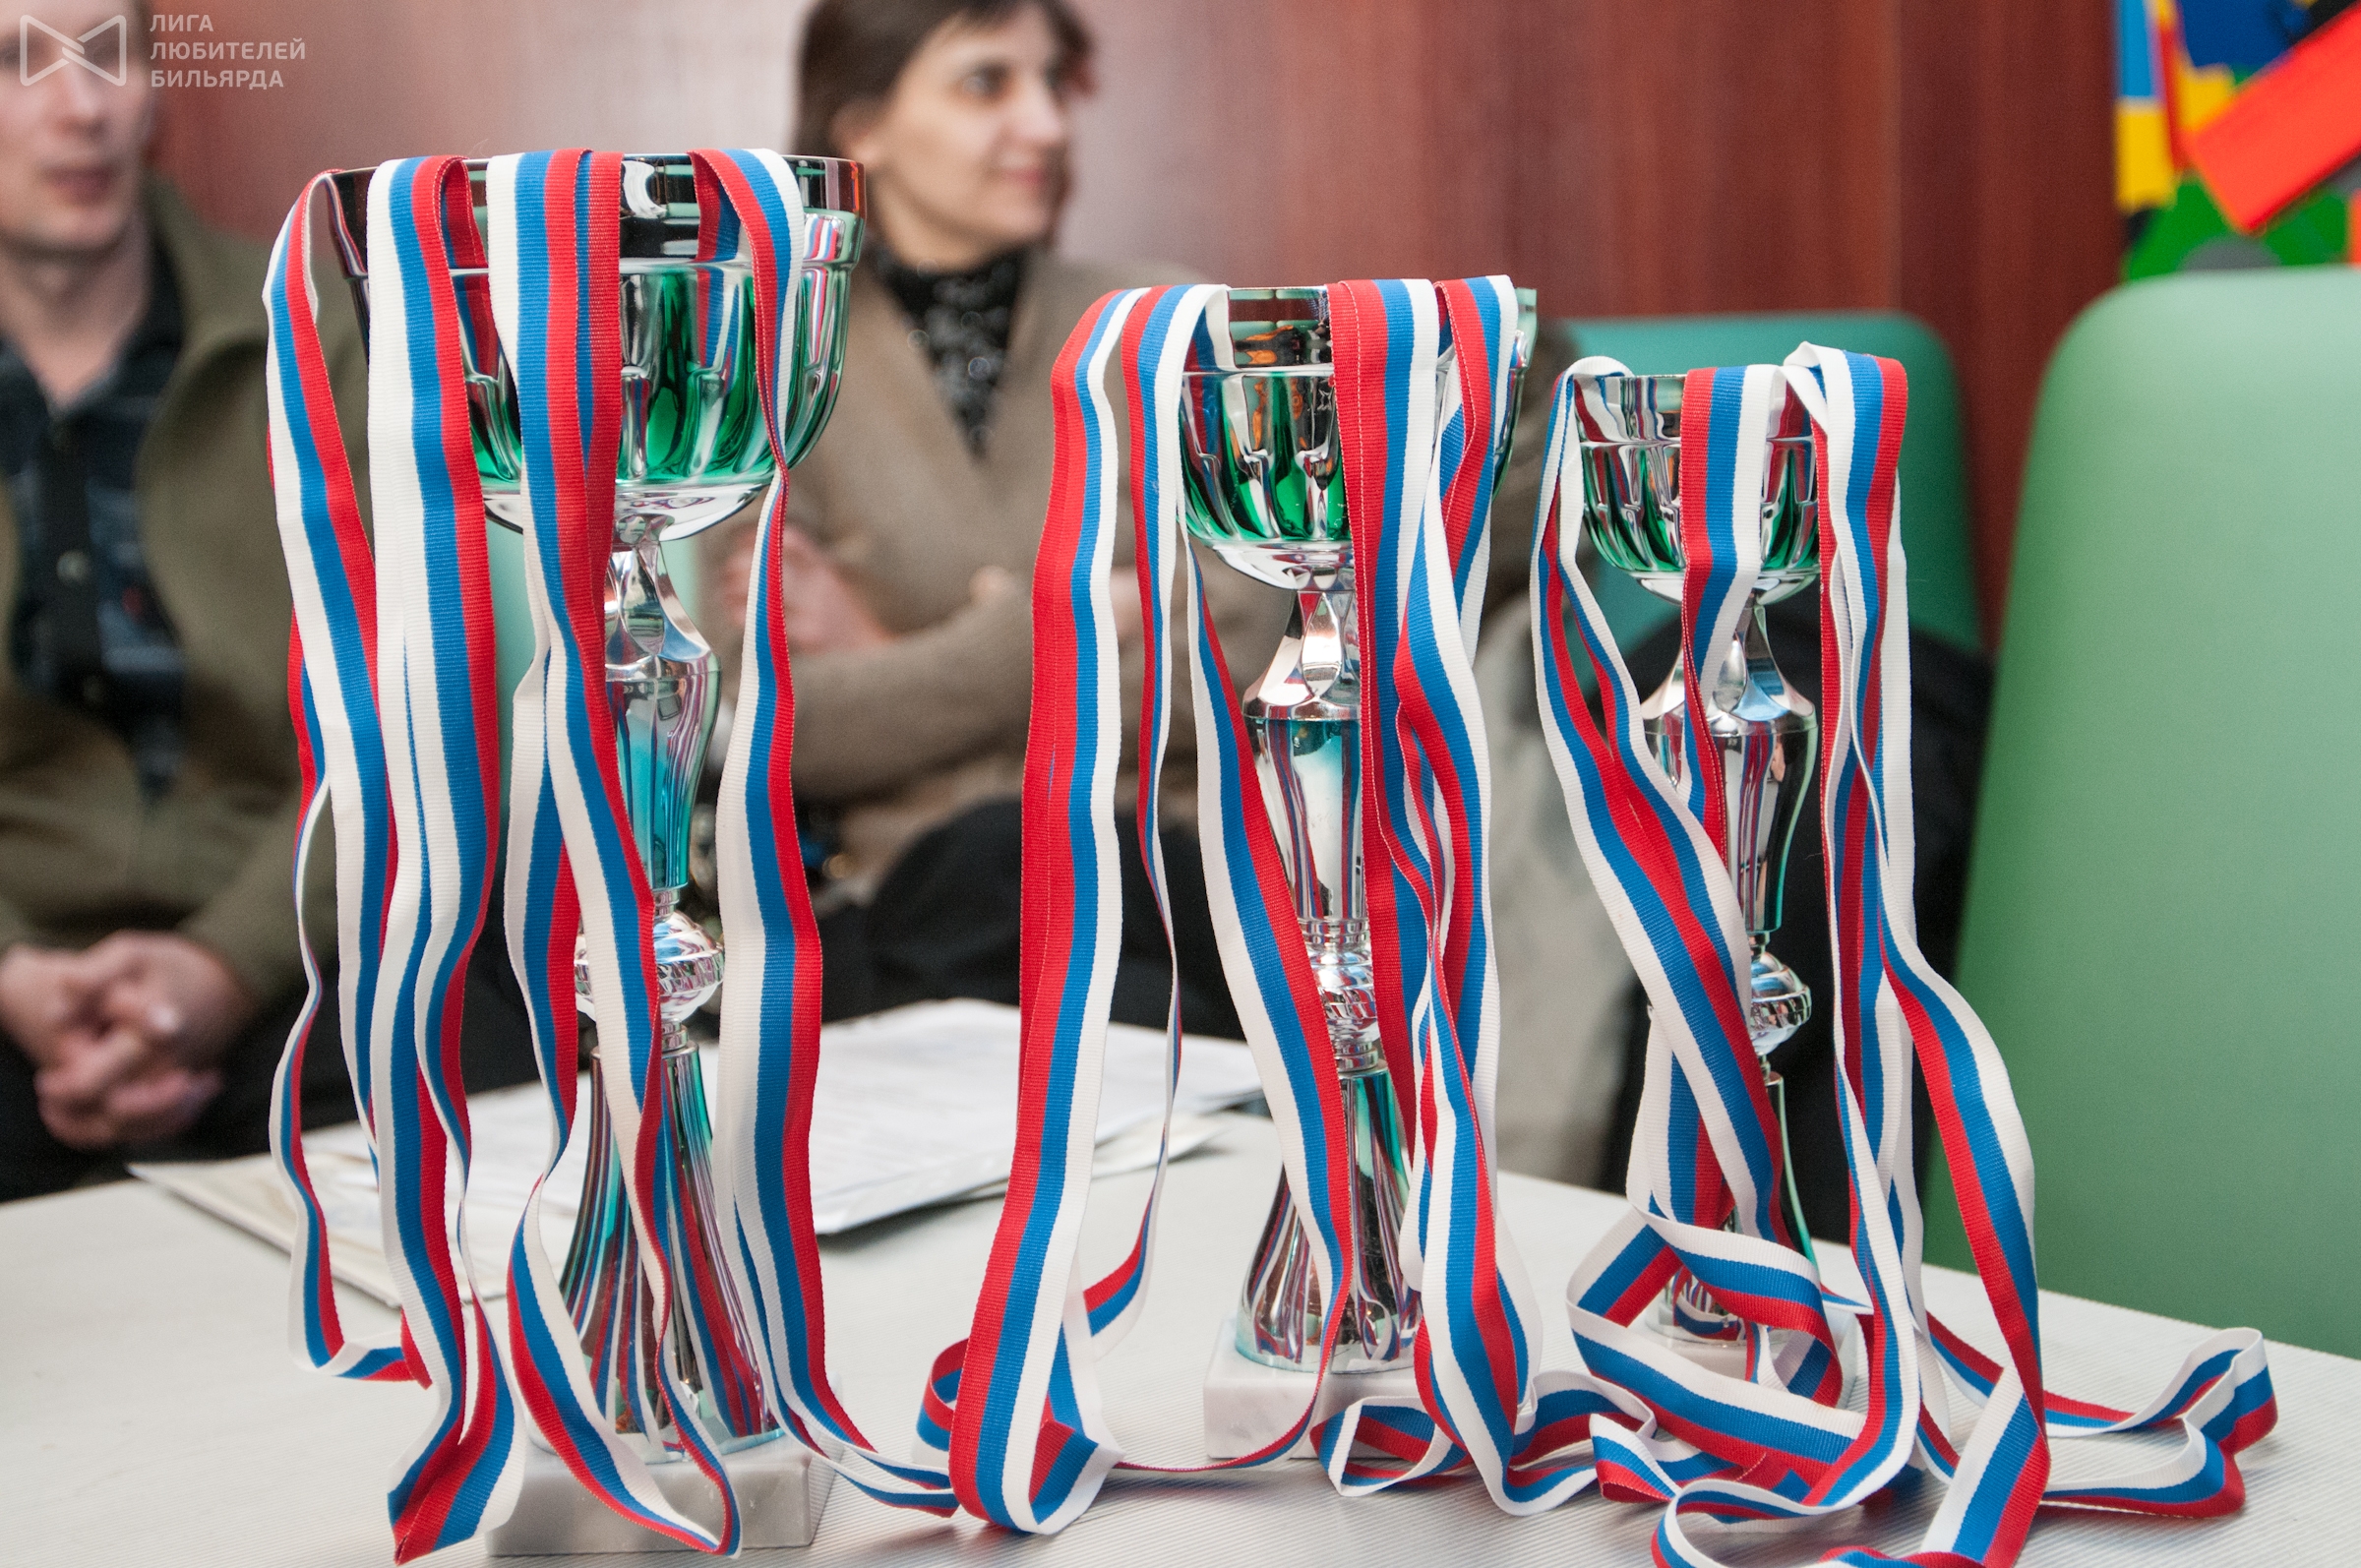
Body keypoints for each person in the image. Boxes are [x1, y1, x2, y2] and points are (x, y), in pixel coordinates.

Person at [0, 9, 529, 1201]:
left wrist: (225, 964)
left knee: (479, 1100)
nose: (80, 106)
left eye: (109, 52)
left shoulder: (318, 327)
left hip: (311, 929)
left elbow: (427, 685)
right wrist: (13, 972)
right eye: (16, 62)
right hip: (20, 961)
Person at [700, 0, 1268, 1034]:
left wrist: (892, 655)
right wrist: (1070, 623)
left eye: (1052, 83)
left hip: (1163, 880)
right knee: (1006, 895)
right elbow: (774, 729)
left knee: (1040, 886)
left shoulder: (1171, 325)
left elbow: (1233, 667)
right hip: (918, 920)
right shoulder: (776, 369)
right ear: (862, 125)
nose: (1046, 125)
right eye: (986, 83)